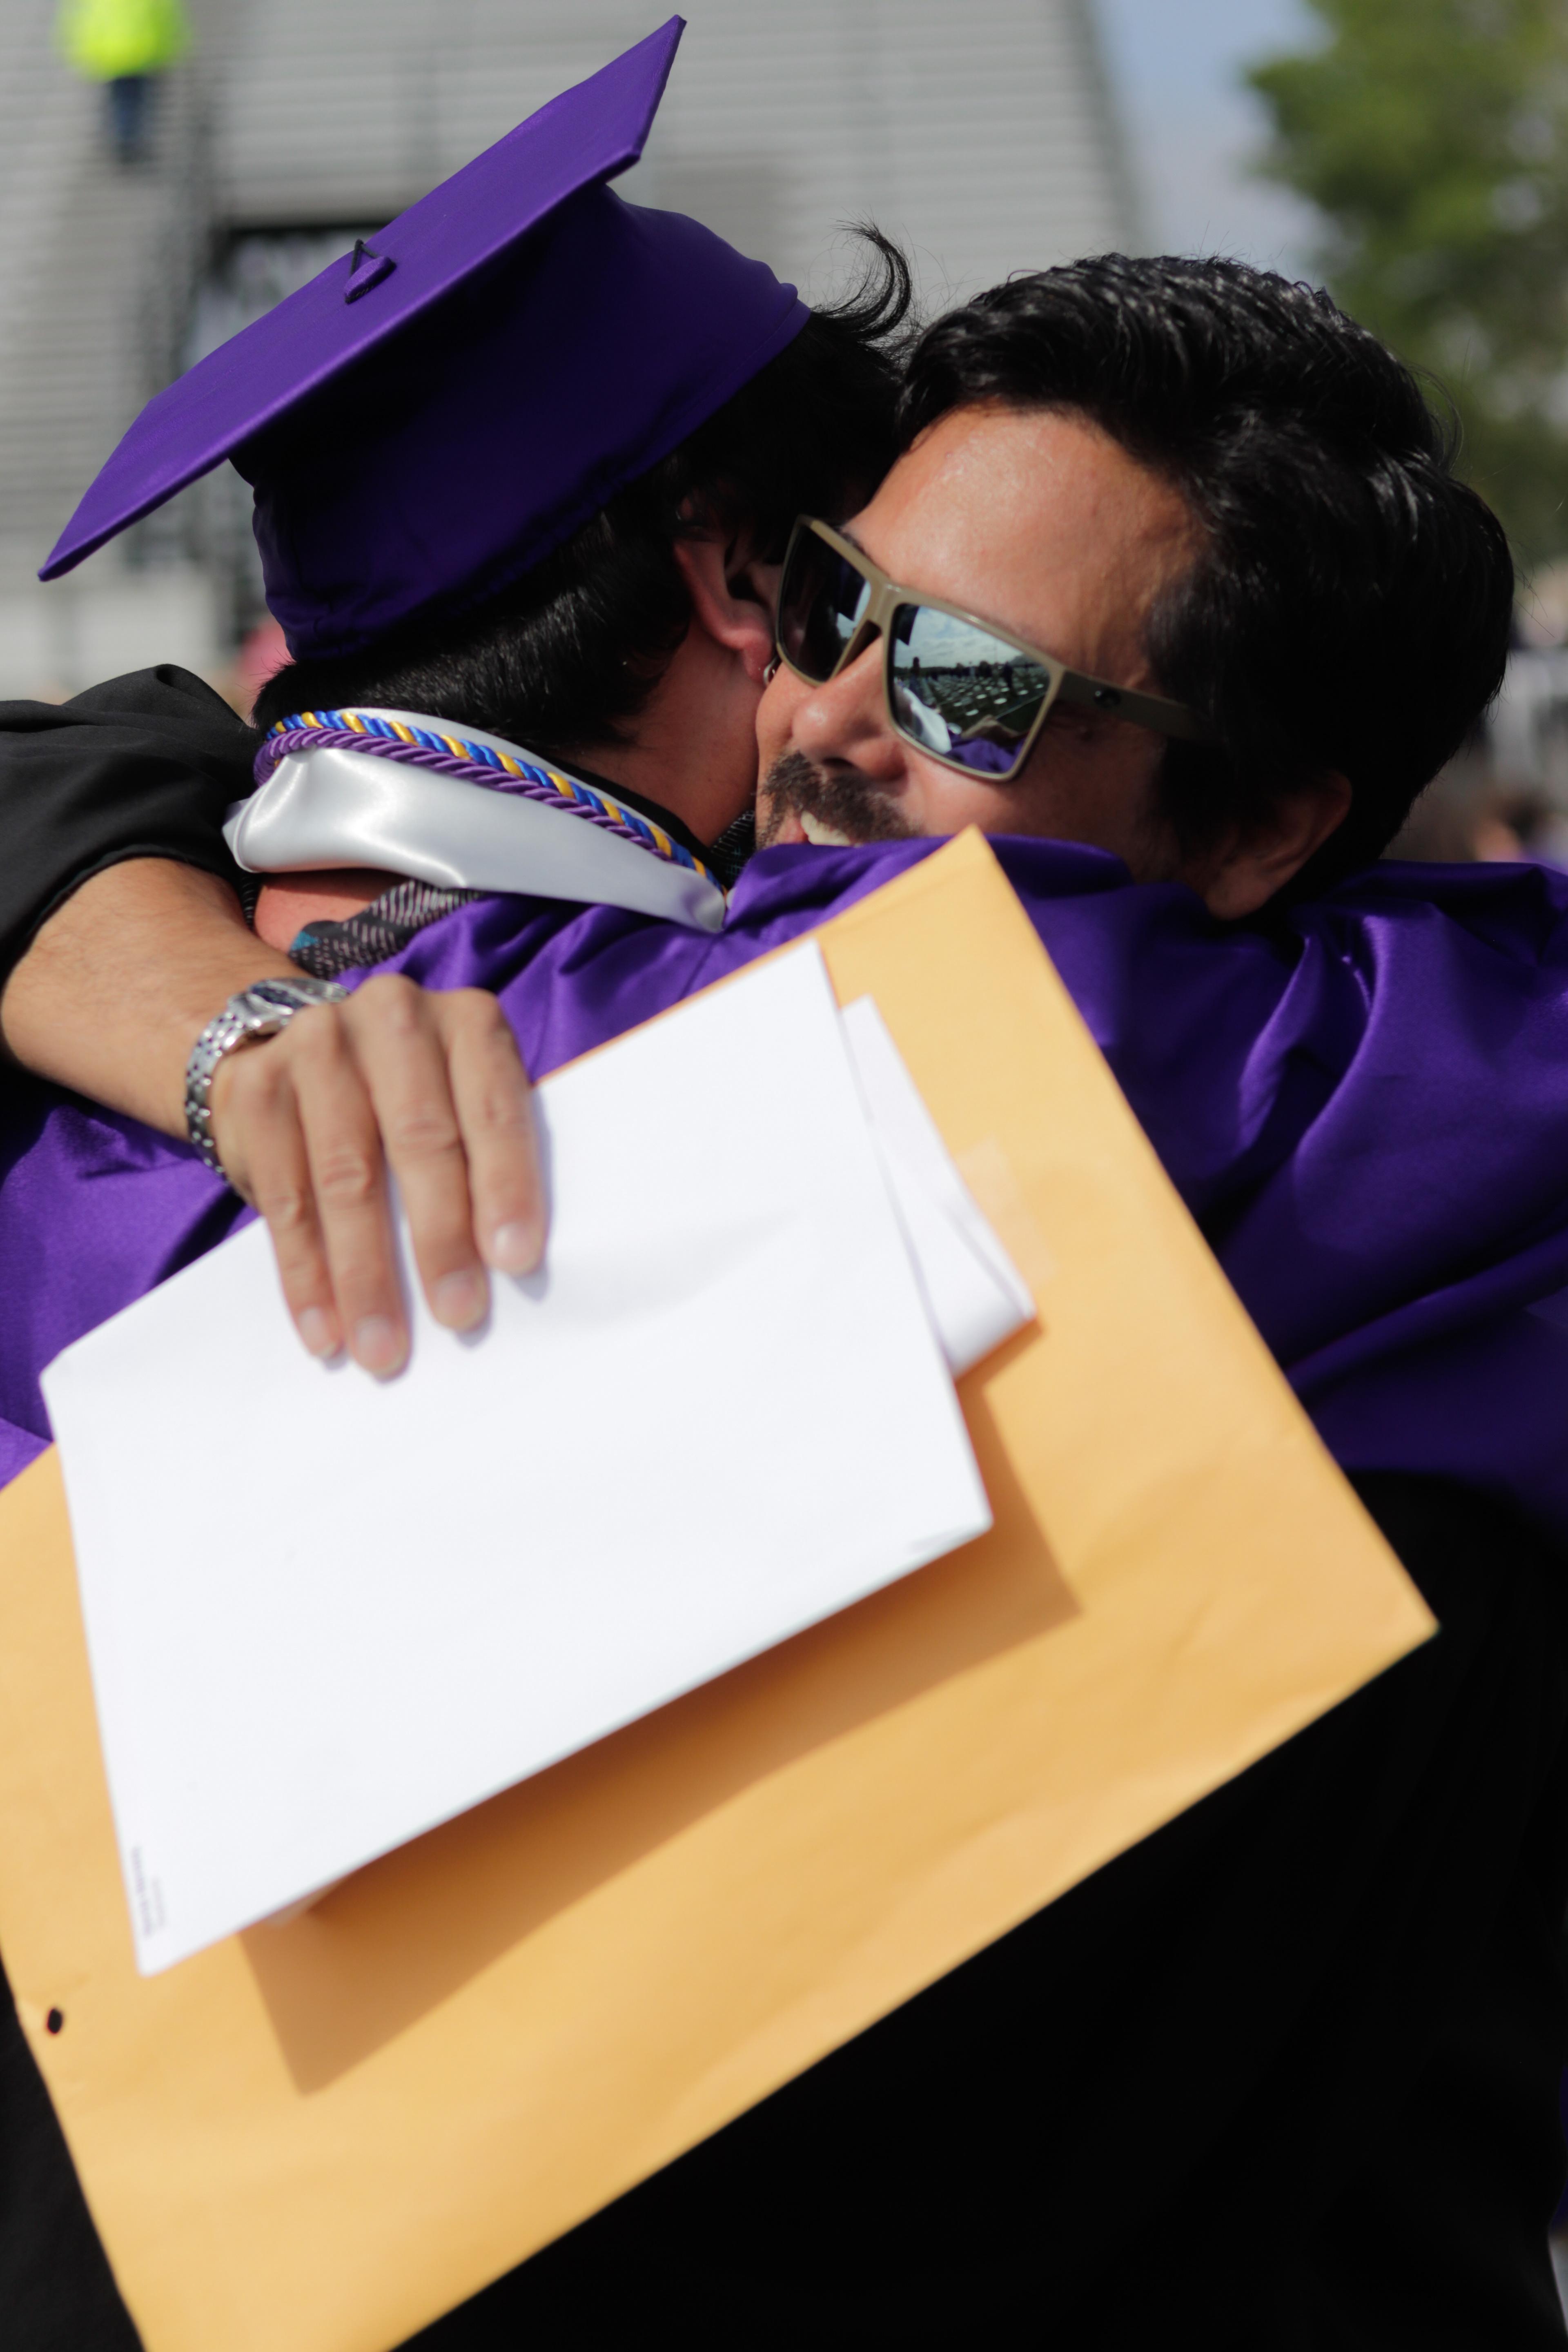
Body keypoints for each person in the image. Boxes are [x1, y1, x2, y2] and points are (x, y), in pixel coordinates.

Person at [2, 57, 1568, 2339]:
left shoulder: (96, 1078)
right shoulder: (1148, 1085)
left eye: (951, 670)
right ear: (743, 578)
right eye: (836, 597)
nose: (833, 703)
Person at [56, 0, 190, 167]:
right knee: (136, 100)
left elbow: (79, 23)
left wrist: (86, 55)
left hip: (111, 56)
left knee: (121, 101)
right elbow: (167, 21)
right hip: (142, 54)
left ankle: (123, 139)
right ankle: (130, 140)